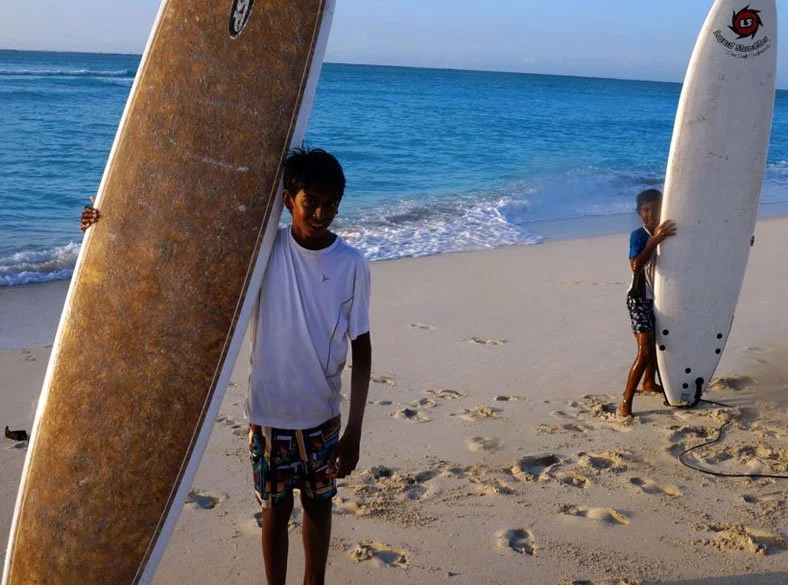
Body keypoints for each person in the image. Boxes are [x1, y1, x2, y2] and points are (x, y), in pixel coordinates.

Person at [80, 147, 372, 585]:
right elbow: (183, 243)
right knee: (274, 511)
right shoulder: (262, 252)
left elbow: (362, 349)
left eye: (331, 203)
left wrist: (354, 431)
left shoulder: (352, 264)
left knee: (319, 505)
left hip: (323, 417)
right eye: (310, 201)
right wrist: (111, 221)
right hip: (269, 416)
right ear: (288, 200)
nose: (320, 213)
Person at [617, 189, 675, 417]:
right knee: (645, 352)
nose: (651, 214)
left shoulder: (669, 231)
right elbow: (636, 265)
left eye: (656, 209)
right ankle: (625, 401)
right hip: (639, 298)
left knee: (657, 345)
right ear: (639, 212)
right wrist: (656, 239)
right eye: (646, 210)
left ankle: (649, 382)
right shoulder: (639, 236)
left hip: (661, 297)